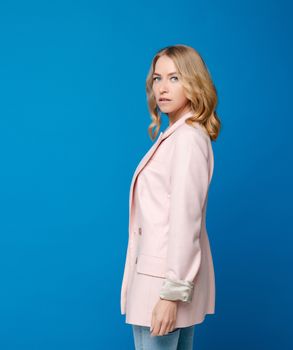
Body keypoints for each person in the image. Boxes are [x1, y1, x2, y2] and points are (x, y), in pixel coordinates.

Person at [120, 44, 221, 350]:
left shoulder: (188, 140)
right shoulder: (179, 135)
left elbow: (184, 221)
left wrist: (170, 295)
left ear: (194, 82)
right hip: (160, 281)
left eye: (174, 78)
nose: (162, 88)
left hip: (163, 286)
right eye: (157, 79)